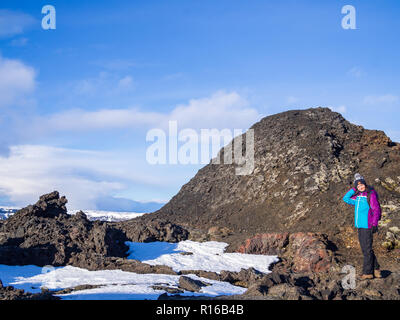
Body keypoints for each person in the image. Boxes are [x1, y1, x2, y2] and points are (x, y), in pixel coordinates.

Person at [343, 173, 382, 280]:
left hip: (368, 225)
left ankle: (368, 272)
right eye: (358, 186)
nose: (361, 187)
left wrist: (374, 224)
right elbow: (345, 198)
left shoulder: (371, 194)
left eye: (362, 184)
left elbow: (376, 210)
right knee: (366, 249)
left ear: (365, 184)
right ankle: (376, 269)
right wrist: (353, 189)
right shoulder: (357, 197)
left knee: (366, 249)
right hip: (359, 225)